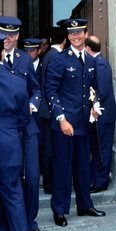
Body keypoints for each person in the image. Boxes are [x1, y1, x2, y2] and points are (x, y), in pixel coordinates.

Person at [46, 18, 106, 227]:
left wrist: (95, 106)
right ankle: (60, 210)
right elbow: (51, 91)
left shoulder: (91, 61)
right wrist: (61, 119)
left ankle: (84, 205)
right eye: (72, 33)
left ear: (85, 33)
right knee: (62, 167)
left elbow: (94, 89)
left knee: (83, 167)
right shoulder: (59, 59)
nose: (76, 36)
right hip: (65, 125)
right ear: (68, 36)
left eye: (79, 32)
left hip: (84, 123)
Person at [0, 16, 49, 231]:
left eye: (11, 35)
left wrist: (32, 103)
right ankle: (6, 229)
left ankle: (29, 223)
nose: (7, 39)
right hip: (9, 129)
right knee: (8, 183)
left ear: (17, 36)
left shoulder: (24, 60)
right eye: (3, 34)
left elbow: (36, 90)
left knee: (29, 179)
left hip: (26, 128)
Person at [0, 34, 31, 231]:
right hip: (9, 147)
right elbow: (24, 118)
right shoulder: (16, 82)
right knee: (14, 199)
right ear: (2, 52)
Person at [85, 35, 116, 193]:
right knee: (97, 148)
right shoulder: (96, 62)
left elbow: (102, 90)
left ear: (87, 49)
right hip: (98, 114)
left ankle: (101, 181)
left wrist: (95, 106)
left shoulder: (100, 64)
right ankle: (94, 179)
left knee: (103, 148)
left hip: (103, 115)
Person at [40, 27, 67, 194]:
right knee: (52, 150)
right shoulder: (56, 56)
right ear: (65, 40)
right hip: (52, 110)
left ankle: (49, 182)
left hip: (45, 108)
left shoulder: (47, 55)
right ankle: (51, 183)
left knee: (48, 149)